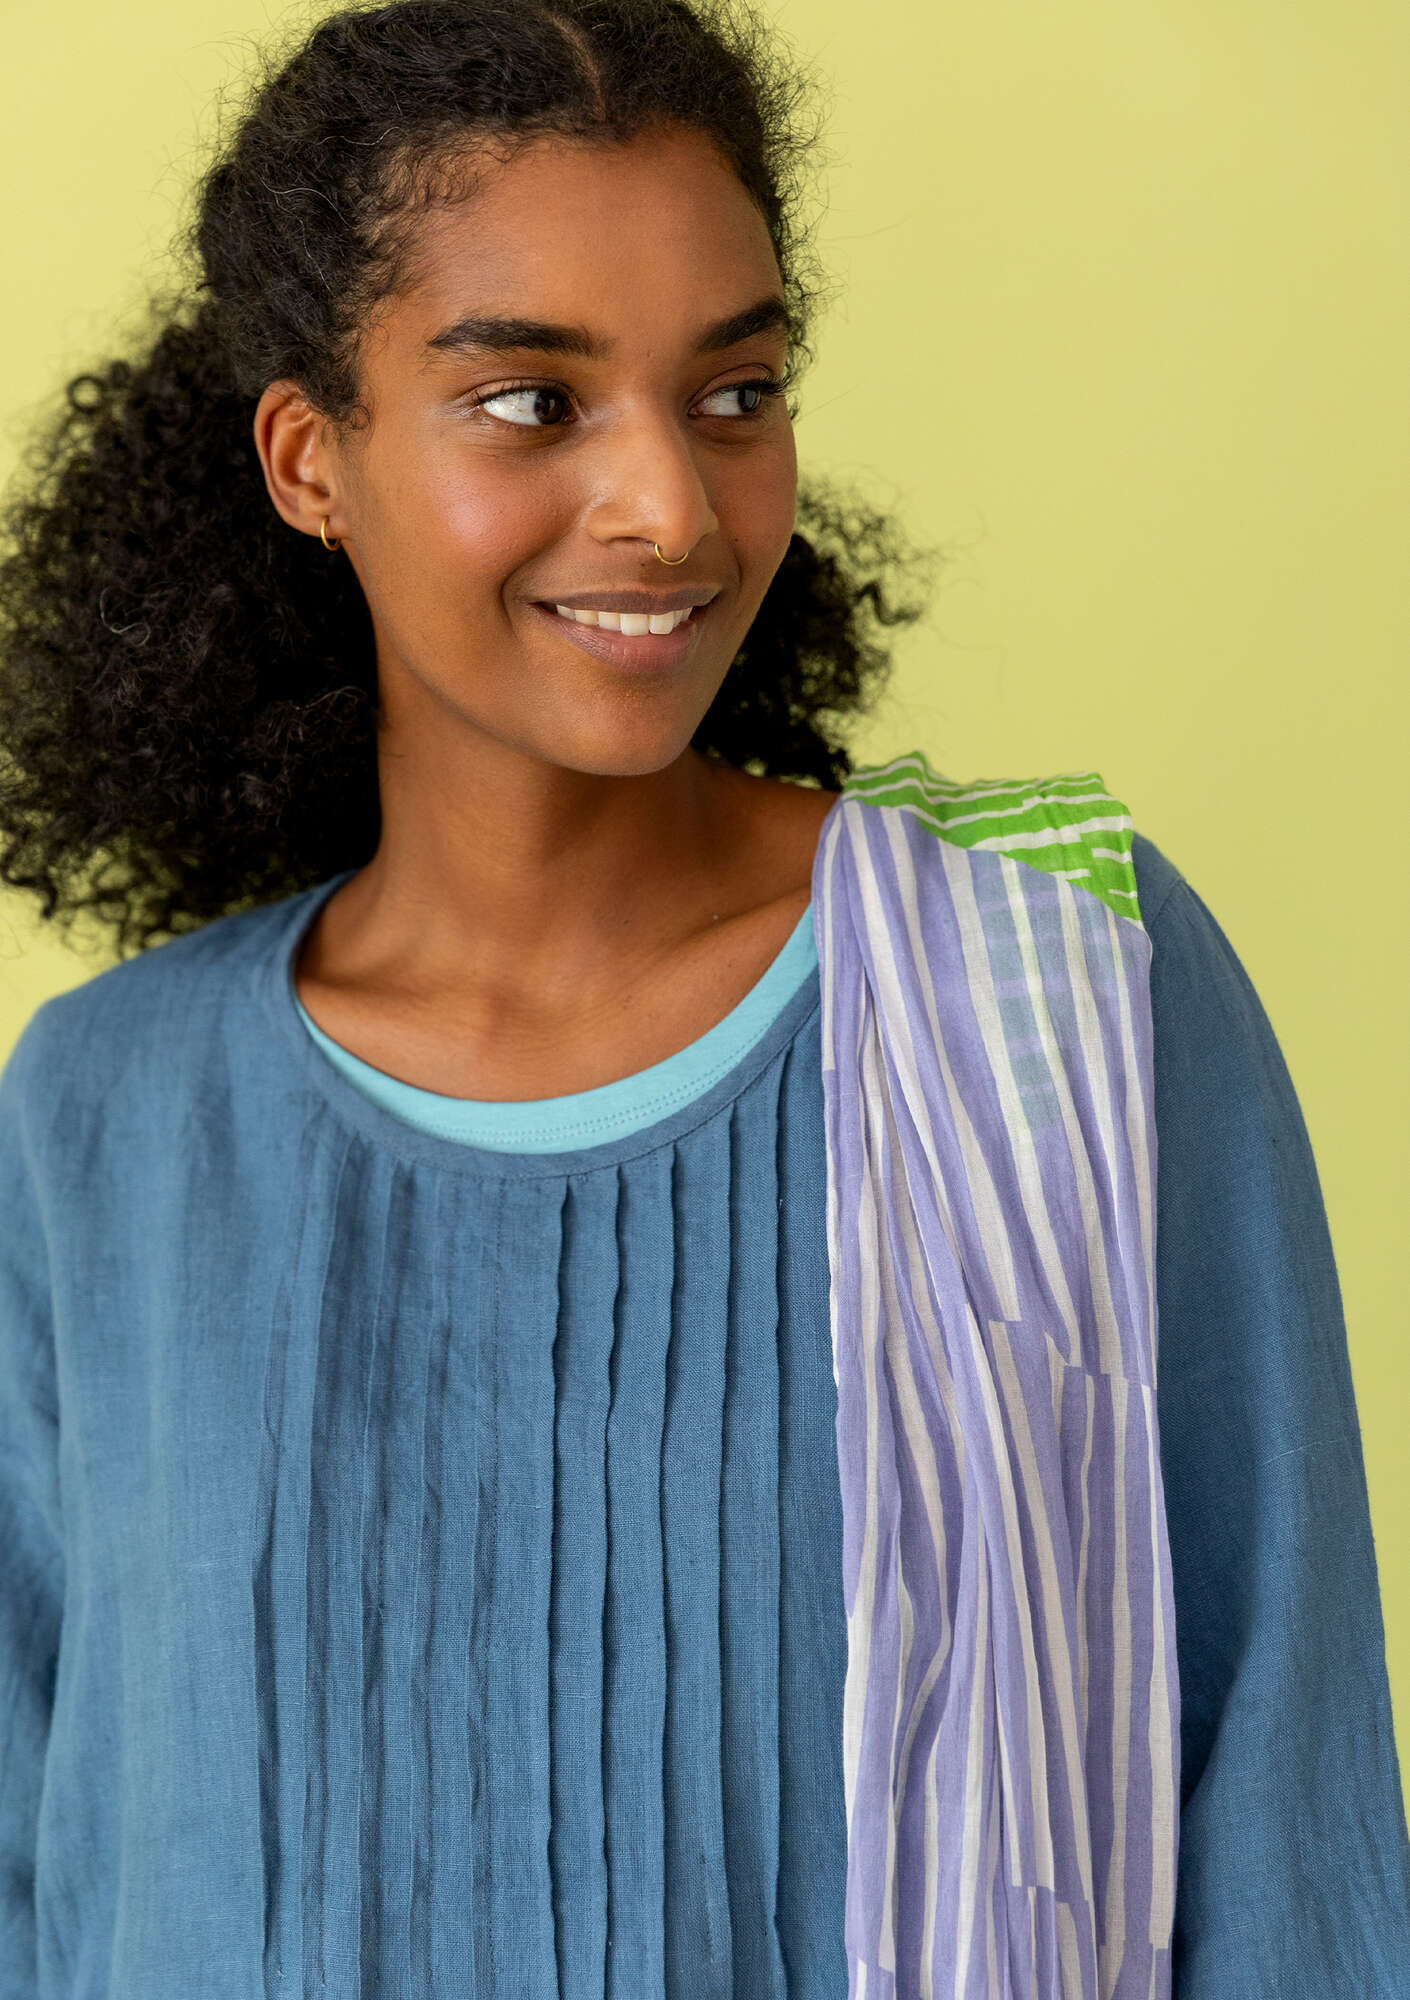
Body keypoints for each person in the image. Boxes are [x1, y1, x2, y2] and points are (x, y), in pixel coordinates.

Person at [0, 2, 1406, 1995]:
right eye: (530, 401)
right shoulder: (107, 1117)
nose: (669, 505)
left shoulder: (1058, 981)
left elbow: (1283, 1787)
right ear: (313, 459)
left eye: (734, 393)